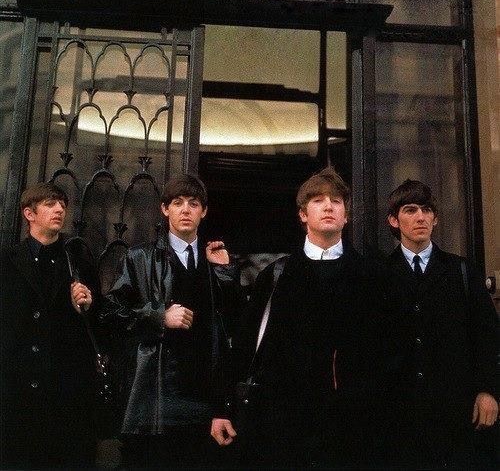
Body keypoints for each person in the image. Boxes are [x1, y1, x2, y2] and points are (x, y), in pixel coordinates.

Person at [212, 167, 378, 468]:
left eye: (336, 201)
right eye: (318, 200)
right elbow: (245, 345)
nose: (328, 206)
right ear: (303, 214)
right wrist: (223, 407)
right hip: (284, 426)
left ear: (346, 215)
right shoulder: (276, 275)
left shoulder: (370, 275)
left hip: (351, 426)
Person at [100, 173, 238, 469]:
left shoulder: (217, 261)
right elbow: (111, 314)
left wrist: (226, 274)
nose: (186, 210)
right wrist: (159, 316)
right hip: (154, 400)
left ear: (204, 211)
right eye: (177, 203)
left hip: (203, 402)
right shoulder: (140, 258)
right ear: (165, 209)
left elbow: (232, 329)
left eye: (193, 203)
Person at [379, 179, 498, 469]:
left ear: (435, 218)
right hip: (400, 416)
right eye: (410, 210)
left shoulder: (462, 271)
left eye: (426, 210)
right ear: (394, 220)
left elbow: (488, 336)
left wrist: (489, 390)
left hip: (457, 411)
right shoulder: (378, 275)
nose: (420, 217)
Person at [0, 182, 98, 469]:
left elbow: (100, 318)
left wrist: (88, 305)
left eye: (63, 205)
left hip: (66, 391)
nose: (59, 209)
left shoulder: (77, 258)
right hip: (17, 391)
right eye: (50, 203)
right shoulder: (7, 261)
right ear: (29, 213)